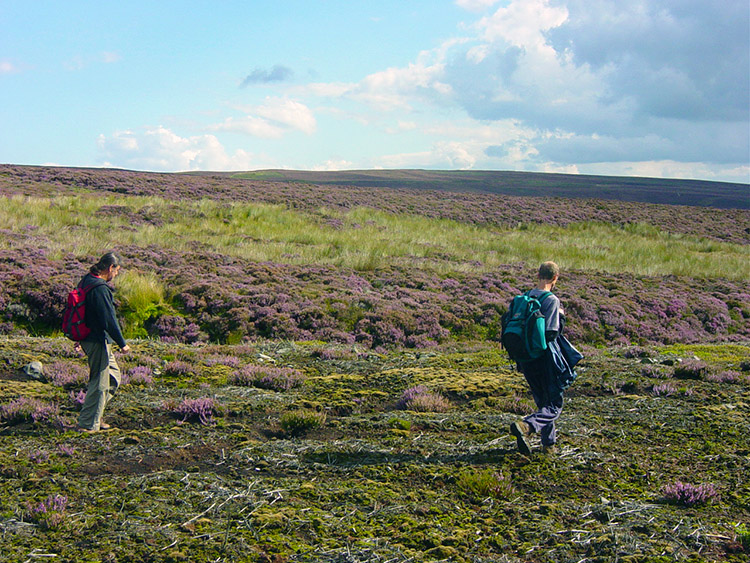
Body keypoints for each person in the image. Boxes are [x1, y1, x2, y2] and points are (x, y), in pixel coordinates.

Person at [510, 261, 568, 455]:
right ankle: (527, 426)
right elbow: (551, 334)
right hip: (545, 360)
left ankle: (548, 445)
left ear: (538, 275)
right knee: (553, 405)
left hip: (526, 359)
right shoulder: (551, 300)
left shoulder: (525, 297)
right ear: (555, 278)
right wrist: (561, 318)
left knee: (542, 402)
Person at [76, 252, 130, 432]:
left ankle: (94, 415)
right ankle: (87, 424)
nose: (116, 275)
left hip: (90, 338)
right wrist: (122, 343)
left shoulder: (86, 280)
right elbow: (109, 319)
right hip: (96, 340)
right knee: (100, 383)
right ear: (110, 268)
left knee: (113, 377)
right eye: (116, 271)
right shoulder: (100, 288)